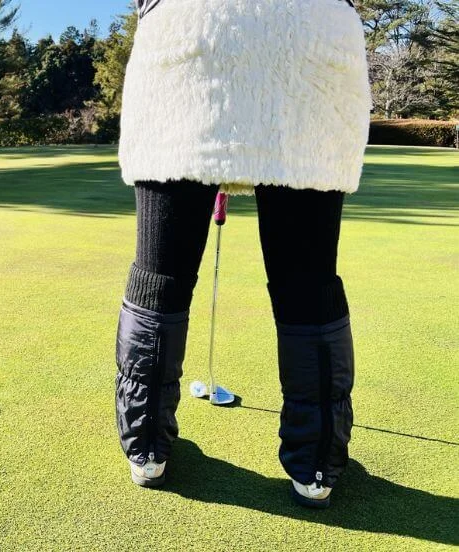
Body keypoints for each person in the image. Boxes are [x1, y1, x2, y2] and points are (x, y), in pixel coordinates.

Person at [114, 0, 372, 509]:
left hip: (190, 34)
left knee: (159, 274)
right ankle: (315, 465)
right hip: (312, 37)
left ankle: (146, 447)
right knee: (309, 280)